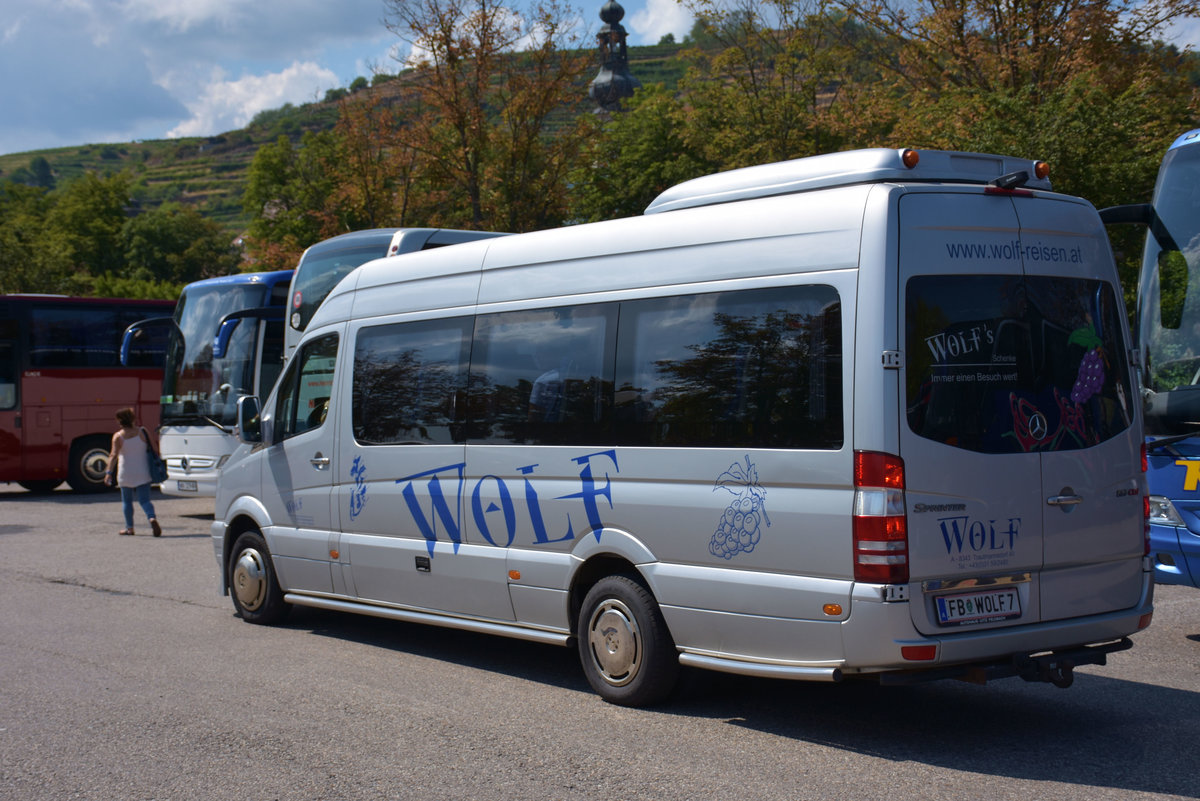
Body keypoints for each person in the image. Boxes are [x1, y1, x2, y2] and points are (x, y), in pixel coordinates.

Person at [103, 407, 162, 537]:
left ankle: (129, 528)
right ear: (133, 419)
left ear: (119, 421)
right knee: (145, 500)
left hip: (125, 473)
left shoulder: (118, 436)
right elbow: (155, 448)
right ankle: (151, 518)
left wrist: (108, 473)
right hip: (143, 471)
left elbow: (113, 455)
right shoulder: (143, 431)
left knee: (127, 501)